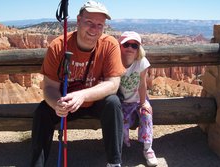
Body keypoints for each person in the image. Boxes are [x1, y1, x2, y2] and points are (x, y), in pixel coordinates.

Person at [30, 1, 125, 167]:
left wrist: (83, 95)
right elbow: (50, 88)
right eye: (89, 22)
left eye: (99, 25)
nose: (94, 29)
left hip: (95, 102)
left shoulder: (109, 45)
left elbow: (113, 84)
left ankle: (114, 163)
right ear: (78, 20)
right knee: (43, 111)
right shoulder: (58, 47)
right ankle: (37, 164)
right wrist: (56, 104)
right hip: (65, 103)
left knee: (113, 103)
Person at [118, 31, 158, 166]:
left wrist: (143, 103)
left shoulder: (141, 62)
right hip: (122, 102)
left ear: (138, 49)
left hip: (137, 100)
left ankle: (148, 148)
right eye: (126, 44)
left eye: (134, 46)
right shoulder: (115, 61)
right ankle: (121, 144)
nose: (130, 48)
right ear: (120, 46)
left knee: (146, 115)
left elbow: (142, 83)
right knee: (120, 122)